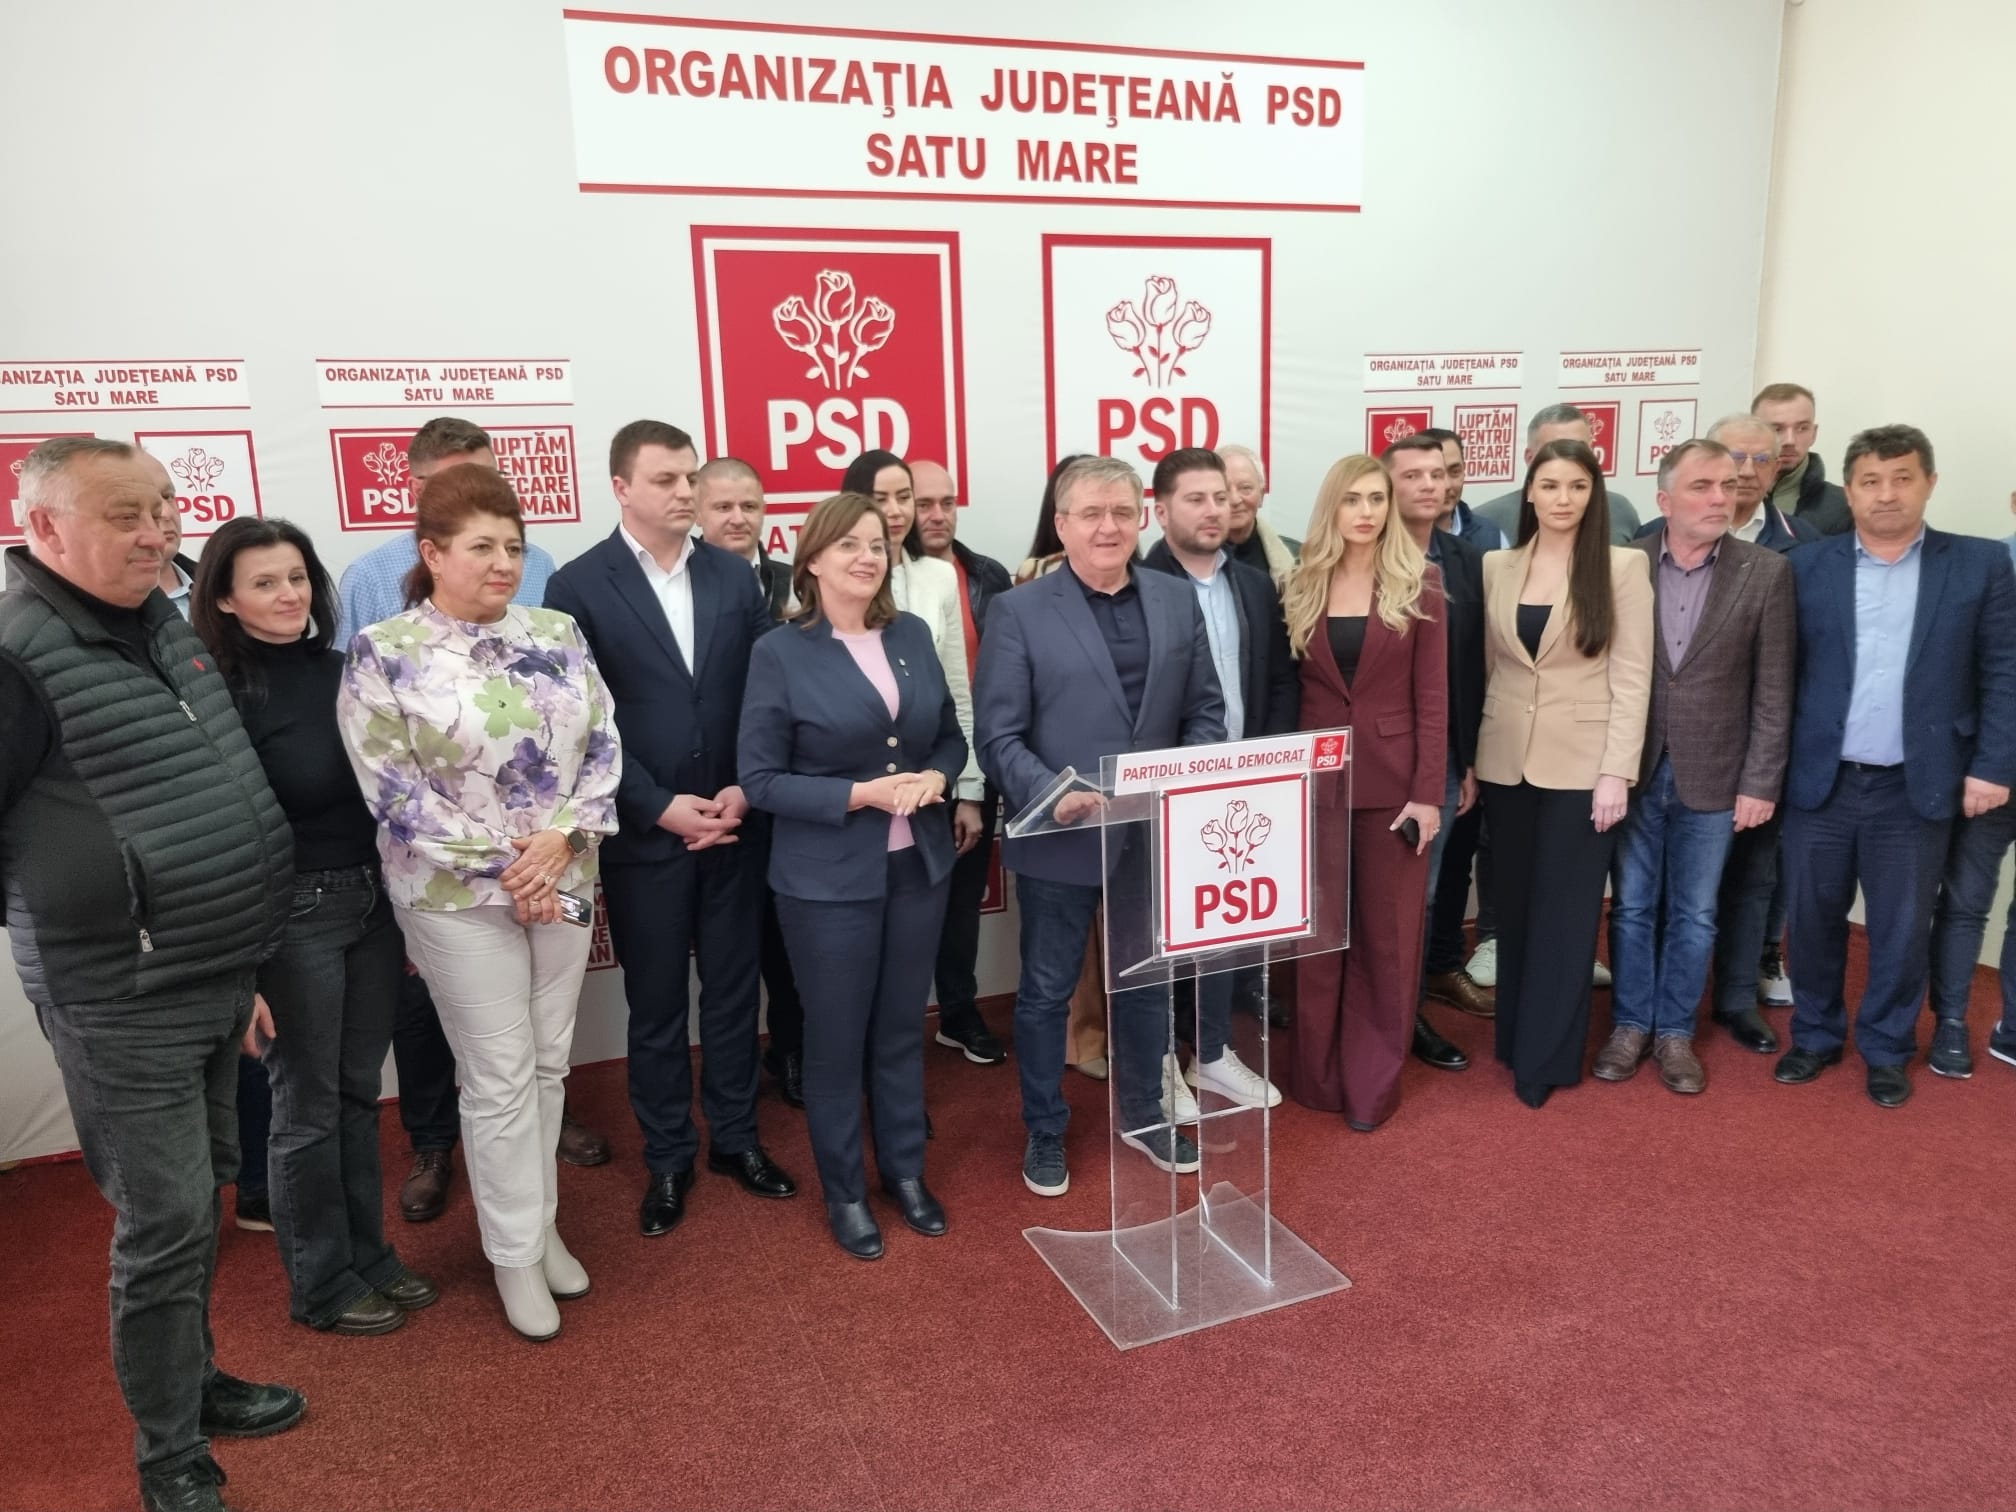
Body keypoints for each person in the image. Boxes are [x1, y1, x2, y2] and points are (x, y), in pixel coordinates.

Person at [1, 438, 301, 1512]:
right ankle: (168, 1453)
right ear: (43, 527)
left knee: (201, 1198)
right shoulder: (16, 657)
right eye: (124, 514)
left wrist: (230, 956)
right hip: (121, 1001)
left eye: (164, 506)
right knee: (164, 1221)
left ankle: (196, 1380)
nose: (157, 529)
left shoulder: (162, 620)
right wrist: (100, 925)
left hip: (212, 973)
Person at [338, 464, 620, 1341]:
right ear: (432, 553)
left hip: (565, 877)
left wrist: (561, 844)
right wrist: (516, 866)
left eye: (514, 546)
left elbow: (604, 747)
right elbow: (395, 793)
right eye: (482, 547)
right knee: (498, 1076)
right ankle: (512, 1255)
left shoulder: (557, 630)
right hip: (455, 896)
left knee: (548, 1065)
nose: (503, 563)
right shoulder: (384, 649)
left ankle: (542, 1229)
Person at [544, 421, 798, 1240]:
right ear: (622, 488)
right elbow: (582, 725)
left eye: (691, 477)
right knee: (654, 1007)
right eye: (666, 480)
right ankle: (667, 1157)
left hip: (734, 823)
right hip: (645, 833)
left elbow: (763, 694)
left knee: (733, 995)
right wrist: (657, 805)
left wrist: (744, 788)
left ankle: (736, 1139)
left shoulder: (732, 574)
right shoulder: (578, 586)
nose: (686, 492)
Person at [189, 518, 437, 1336]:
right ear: (226, 598)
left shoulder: (347, 669)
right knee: (306, 1106)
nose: (288, 594)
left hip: (374, 903)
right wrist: (243, 960)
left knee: (360, 1095)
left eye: (296, 577)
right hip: (292, 917)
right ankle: (321, 1282)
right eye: (264, 582)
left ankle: (370, 1256)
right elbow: (220, 833)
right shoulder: (217, 692)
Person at [976, 455, 1227, 1197]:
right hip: (1059, 835)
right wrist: (1051, 794)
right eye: (1091, 513)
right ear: (1062, 525)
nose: (1108, 527)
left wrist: (1184, 778)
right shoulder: (1019, 610)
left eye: (1121, 512)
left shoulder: (1175, 600)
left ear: (1140, 516)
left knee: (1147, 985)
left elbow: (1206, 712)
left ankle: (1146, 1116)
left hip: (1151, 832)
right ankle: (1044, 1128)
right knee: (1046, 993)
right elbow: (998, 736)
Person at [738, 492, 967, 1259]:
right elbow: (760, 780)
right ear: (811, 561)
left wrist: (938, 777)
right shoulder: (779, 652)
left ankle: (904, 1172)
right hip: (825, 883)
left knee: (901, 1030)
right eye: (849, 545)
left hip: (918, 868)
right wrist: (859, 795)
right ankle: (845, 1192)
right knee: (836, 1042)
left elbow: (950, 738)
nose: (868, 557)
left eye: (877, 544)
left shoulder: (911, 635)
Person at [1774, 425, 2016, 1108]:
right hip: (1821, 780)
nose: (1887, 494)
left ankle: (1886, 1047)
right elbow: (1782, 675)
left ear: (1929, 483)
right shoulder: (1805, 566)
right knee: (1811, 920)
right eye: (1871, 482)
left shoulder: (1978, 565)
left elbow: (2004, 672)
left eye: (1903, 478)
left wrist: (1994, 767)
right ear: (1850, 491)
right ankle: (1816, 1036)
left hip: (1916, 784)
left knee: (1902, 929)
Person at [1596, 441, 1794, 1094]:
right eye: (1702, 486)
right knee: (1631, 908)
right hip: (1634, 768)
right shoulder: (1624, 564)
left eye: (1728, 486)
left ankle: (1675, 1033)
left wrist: (1760, 782)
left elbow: (1774, 690)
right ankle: (1631, 1025)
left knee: (1696, 913)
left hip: (1717, 774)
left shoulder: (1765, 572)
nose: (1720, 498)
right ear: (1664, 500)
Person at [1476, 440, 1653, 1107]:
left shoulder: (1622, 567)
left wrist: (1616, 773)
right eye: (1550, 485)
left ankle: (1546, 1059)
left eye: (1577, 486)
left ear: (1593, 494)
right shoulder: (1497, 565)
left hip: (1583, 768)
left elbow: (1632, 677)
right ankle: (1516, 1040)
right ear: (1529, 491)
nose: (1562, 499)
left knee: (1567, 916)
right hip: (1505, 761)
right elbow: (1493, 666)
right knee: (1515, 909)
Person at [1281, 454, 1449, 1129]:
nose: (1367, 511)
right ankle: (1317, 1078)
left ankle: (1371, 1086)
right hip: (1313, 784)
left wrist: (1427, 793)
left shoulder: (1422, 582)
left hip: (1394, 788)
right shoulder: (1299, 581)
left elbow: (1433, 698)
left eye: (1377, 498)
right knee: (1318, 941)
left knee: (1387, 942)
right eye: (1353, 499)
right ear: (1332, 506)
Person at [1141, 447, 1300, 1111]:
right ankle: (1156, 1064)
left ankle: (1210, 1053)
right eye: (1197, 499)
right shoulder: (1137, 582)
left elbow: (1281, 681)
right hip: (1165, 788)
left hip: (1244, 784)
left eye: (1222, 497)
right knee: (1154, 938)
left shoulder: (1255, 584)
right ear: (1161, 510)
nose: (1216, 510)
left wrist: (1269, 762)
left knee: (1227, 930)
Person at [840, 450, 996, 1062]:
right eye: (882, 498)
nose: (897, 510)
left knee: (950, 914)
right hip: (862, 792)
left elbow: (958, 691)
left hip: (938, 780)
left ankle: (954, 1015)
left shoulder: (935, 577)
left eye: (904, 496)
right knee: (869, 937)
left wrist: (970, 790)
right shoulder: (834, 578)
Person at [1683, 414, 1818, 1042]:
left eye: (1760, 459)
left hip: (1761, 747)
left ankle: (1737, 997)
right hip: (1677, 753)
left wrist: (1769, 763)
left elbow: (1790, 666)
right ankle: (1664, 1007)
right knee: (1671, 894)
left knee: (1753, 879)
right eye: (1732, 456)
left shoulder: (1806, 545)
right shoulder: (1654, 541)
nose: (1744, 470)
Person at [691, 456, 805, 1106]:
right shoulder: (681, 588)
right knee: (728, 955)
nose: (738, 518)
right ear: (697, 512)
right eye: (723, 507)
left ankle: (792, 1051)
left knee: (791, 945)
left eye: (750, 506)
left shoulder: (800, 583)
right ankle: (729, 1081)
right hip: (713, 797)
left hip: (791, 793)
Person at [1382, 435, 1488, 1059]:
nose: (1430, 485)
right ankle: (1366, 1016)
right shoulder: (1362, 556)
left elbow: (1471, 667)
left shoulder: (1467, 560)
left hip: (1443, 758)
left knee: (1421, 894)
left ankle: (1407, 1013)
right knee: (1369, 899)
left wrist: (1466, 757)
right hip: (1374, 761)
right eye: (1413, 475)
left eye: (1438, 474)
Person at [911, 457, 1017, 1065]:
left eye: (946, 502)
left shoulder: (986, 575)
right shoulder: (880, 574)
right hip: (907, 771)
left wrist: (974, 785)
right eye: (922, 503)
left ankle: (958, 1011)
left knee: (961, 904)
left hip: (978, 761)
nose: (937, 515)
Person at [1924, 504, 2016, 1077]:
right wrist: (1991, 765)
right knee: (1965, 902)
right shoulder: (1988, 565)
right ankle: (1951, 1021)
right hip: (1990, 771)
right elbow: (1980, 674)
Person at [1477, 404, 1643, 545]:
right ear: (1530, 458)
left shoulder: (1619, 510)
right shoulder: (1489, 522)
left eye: (1579, 448)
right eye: (1554, 449)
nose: (1568, 458)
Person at [1753, 382, 1853, 535]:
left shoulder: (1846, 506)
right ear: (1753, 432)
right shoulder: (1724, 497)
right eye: (1777, 429)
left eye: (1802, 428)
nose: (1790, 441)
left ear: (1814, 433)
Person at [1221, 443, 1299, 583]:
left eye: (1245, 488)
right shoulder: (1189, 560)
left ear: (1261, 496)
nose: (1235, 500)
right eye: (1224, 490)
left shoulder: (1298, 559)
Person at [1421, 427, 1506, 551]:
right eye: (1436, 475)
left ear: (1464, 470)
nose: (1447, 485)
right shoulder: (1394, 538)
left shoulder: (1492, 536)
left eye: (1454, 472)